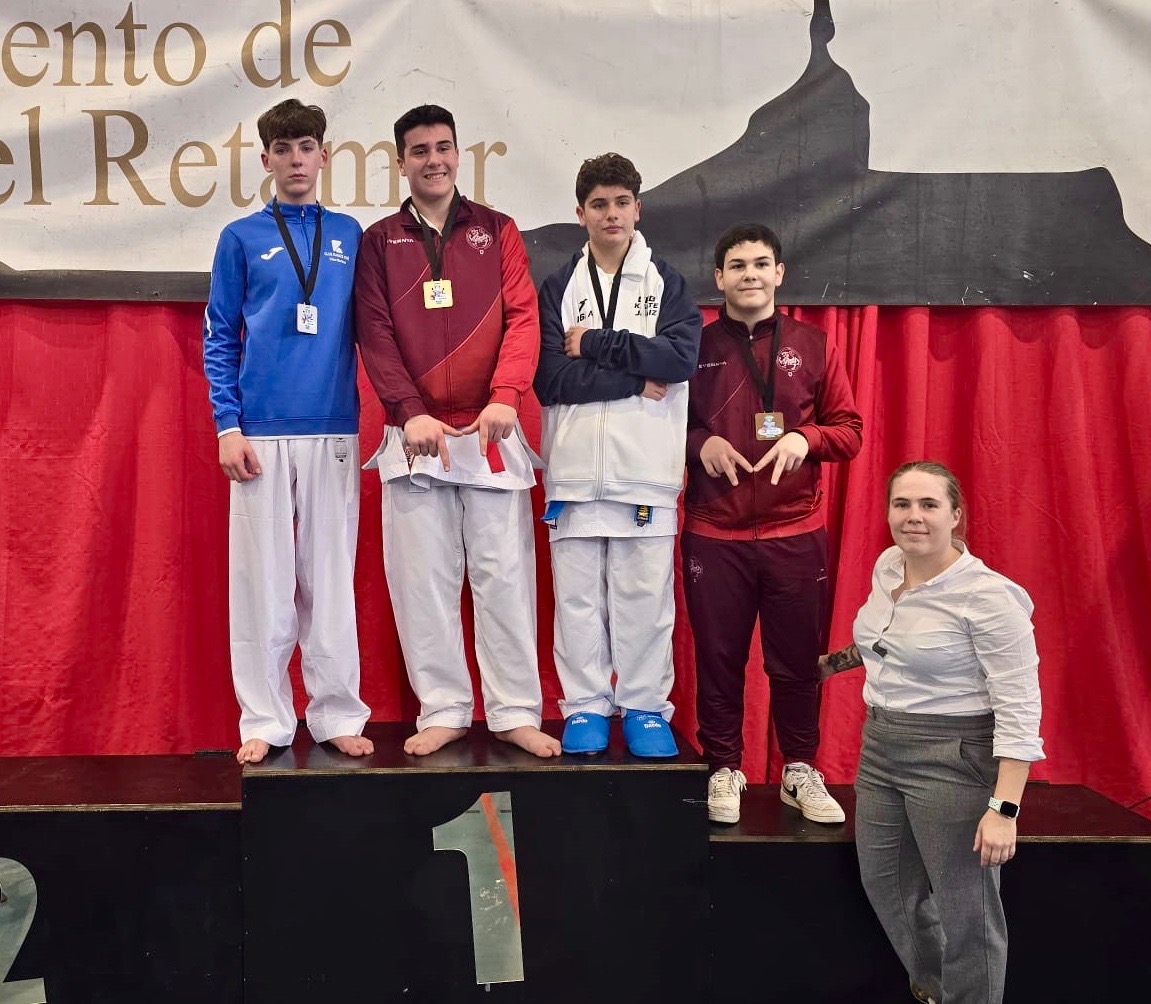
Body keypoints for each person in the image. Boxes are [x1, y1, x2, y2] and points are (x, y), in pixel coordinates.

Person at [355, 104, 559, 759]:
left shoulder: (497, 230)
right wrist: (407, 409)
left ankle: (514, 710)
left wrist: (506, 395)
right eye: (420, 150)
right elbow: (374, 331)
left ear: (457, 153)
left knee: (504, 578)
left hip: (489, 433)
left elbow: (523, 318)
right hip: (415, 435)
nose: (434, 160)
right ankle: (443, 707)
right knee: (422, 582)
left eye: (443, 147)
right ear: (401, 162)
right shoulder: (378, 241)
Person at [822, 461, 1044, 1004]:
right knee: (887, 885)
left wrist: (1004, 809)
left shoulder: (988, 597)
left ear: (955, 515)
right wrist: (823, 667)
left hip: (953, 755)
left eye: (928, 505)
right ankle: (938, 990)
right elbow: (887, 643)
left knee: (967, 910)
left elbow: (1020, 708)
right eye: (902, 504)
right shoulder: (888, 567)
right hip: (880, 748)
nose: (913, 517)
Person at [203, 98, 372, 765]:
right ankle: (266, 718)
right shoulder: (240, 237)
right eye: (283, 149)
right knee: (262, 584)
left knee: (329, 581)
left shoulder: (351, 234)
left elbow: (376, 329)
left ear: (324, 156)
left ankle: (336, 713)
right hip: (260, 434)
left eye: (306, 147)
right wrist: (227, 424)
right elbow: (220, 334)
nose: (296, 160)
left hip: (333, 427)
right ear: (266, 159)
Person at [683, 223, 862, 823]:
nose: (750, 275)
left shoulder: (814, 344)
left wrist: (806, 438)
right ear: (719, 278)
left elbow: (850, 431)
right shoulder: (693, 347)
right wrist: (699, 442)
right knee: (719, 659)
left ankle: (799, 769)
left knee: (796, 662)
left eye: (761, 264)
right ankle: (723, 768)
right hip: (714, 533)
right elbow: (656, 428)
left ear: (780, 273)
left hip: (794, 534)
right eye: (737, 265)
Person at [534, 153, 702, 757]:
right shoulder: (558, 287)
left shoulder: (667, 284)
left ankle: (645, 707)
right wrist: (634, 376)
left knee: (644, 602)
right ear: (580, 213)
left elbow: (679, 361)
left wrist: (597, 344)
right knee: (577, 602)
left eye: (622, 202)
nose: (611, 214)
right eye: (599, 204)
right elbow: (550, 379)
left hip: (645, 474)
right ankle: (583, 705)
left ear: (638, 209)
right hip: (574, 475)